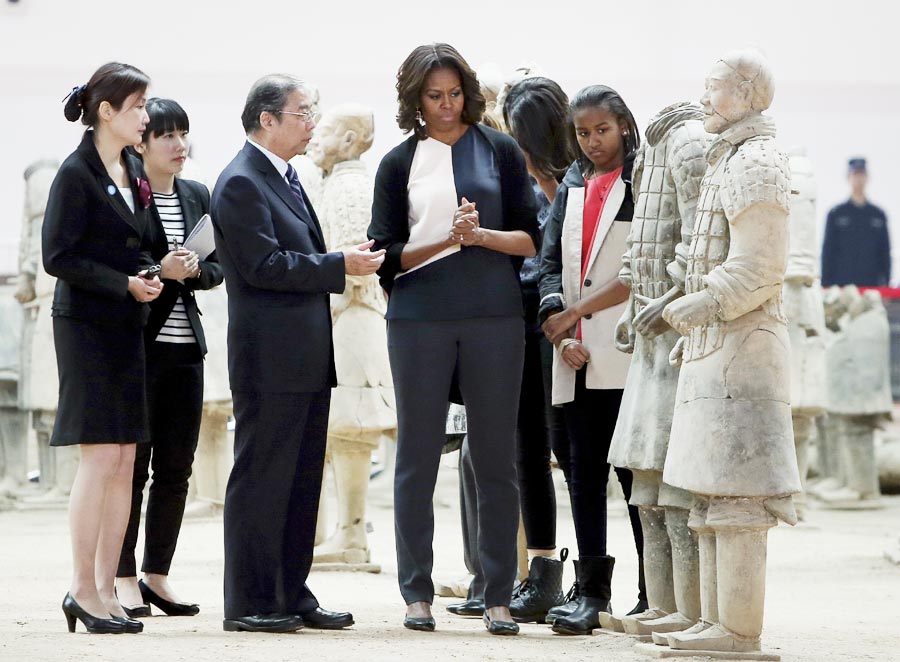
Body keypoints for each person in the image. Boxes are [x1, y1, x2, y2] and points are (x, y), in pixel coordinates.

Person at [368, 43, 540, 635]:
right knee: (415, 457)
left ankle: (497, 593)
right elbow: (383, 252)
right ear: (415, 99)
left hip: (494, 316)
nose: (446, 106)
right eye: (433, 96)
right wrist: (445, 240)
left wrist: (480, 235)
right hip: (419, 319)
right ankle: (416, 592)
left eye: (455, 94)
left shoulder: (501, 149)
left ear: (469, 92)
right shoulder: (397, 163)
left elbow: (532, 239)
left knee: (495, 457)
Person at [211, 74, 383, 634]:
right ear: (268, 119)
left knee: (301, 479)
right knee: (262, 478)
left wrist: (337, 259)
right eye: (304, 113)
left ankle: (290, 588)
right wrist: (339, 265)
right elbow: (264, 267)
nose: (312, 122)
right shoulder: (240, 181)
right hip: (270, 357)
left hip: (304, 354)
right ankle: (249, 600)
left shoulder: (285, 176)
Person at [42, 62, 162, 634]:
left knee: (126, 457)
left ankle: (110, 586)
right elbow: (58, 257)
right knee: (99, 455)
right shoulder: (76, 173)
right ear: (107, 112)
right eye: (138, 106)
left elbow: (135, 239)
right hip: (87, 324)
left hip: (127, 323)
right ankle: (81, 587)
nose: (146, 116)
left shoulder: (133, 165)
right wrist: (123, 284)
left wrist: (153, 271)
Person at [538, 85, 646, 635]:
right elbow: (549, 263)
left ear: (624, 124)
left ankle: (654, 592)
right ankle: (592, 592)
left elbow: (637, 275)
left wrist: (573, 313)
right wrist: (561, 331)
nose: (593, 141)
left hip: (627, 352)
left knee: (633, 476)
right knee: (583, 475)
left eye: (602, 130)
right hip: (575, 355)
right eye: (583, 133)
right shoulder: (573, 186)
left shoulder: (644, 183)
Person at [115, 98, 224, 618]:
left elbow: (217, 266)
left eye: (184, 134)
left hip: (187, 349)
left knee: (177, 468)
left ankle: (157, 574)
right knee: (132, 469)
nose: (180, 145)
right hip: (140, 348)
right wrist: (162, 269)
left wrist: (193, 271)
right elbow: (123, 264)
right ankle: (120, 575)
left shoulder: (198, 194)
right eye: (168, 136)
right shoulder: (128, 199)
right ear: (142, 145)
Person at [498, 76, 578, 624]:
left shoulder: (580, 184)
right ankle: (542, 572)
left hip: (572, 331)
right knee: (528, 450)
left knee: (572, 451)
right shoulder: (521, 187)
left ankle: (594, 575)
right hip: (523, 327)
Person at [821, 158, 891, 287]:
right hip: (842, 286)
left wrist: (886, 282)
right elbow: (828, 251)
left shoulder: (878, 215)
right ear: (848, 177)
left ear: (867, 177)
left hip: (872, 286)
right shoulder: (836, 214)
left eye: (862, 174)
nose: (859, 179)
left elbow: (884, 252)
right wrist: (826, 284)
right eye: (855, 174)